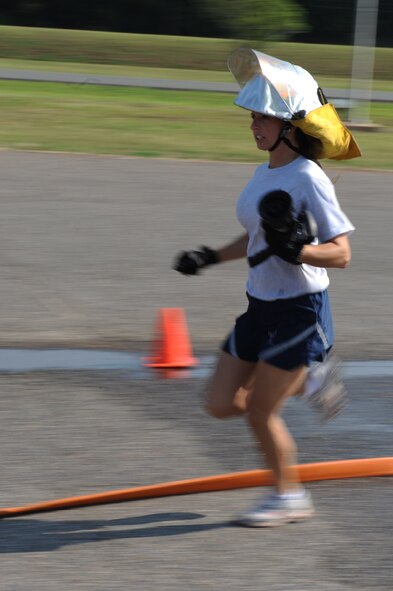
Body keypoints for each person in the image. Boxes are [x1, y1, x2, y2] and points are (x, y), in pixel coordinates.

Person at [174, 48, 360, 528]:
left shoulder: (310, 179)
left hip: (301, 310)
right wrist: (211, 256)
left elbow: (340, 253)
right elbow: (260, 239)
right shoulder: (265, 172)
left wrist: (300, 251)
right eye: (253, 116)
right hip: (260, 307)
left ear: (292, 126)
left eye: (264, 118)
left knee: (260, 412)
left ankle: (289, 497)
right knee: (220, 405)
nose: (253, 125)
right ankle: (312, 380)